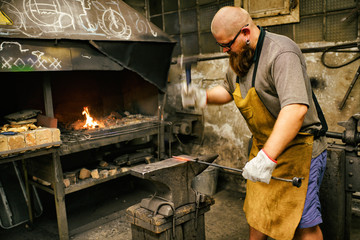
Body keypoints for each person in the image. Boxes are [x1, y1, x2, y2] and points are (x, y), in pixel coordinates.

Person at [181, 6, 328, 240]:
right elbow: (230, 90)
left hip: (300, 150)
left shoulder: (281, 53)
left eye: (227, 44)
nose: (225, 50)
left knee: (302, 221)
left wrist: (266, 158)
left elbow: (295, 109)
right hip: (263, 149)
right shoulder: (241, 55)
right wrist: (203, 96)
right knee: (257, 212)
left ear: (246, 33)